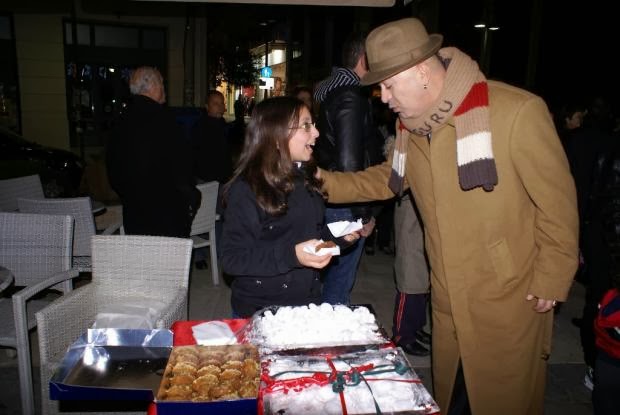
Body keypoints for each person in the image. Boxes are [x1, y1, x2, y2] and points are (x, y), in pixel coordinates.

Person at [318, 18, 578, 414]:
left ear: (421, 72)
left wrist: (553, 276)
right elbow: (387, 179)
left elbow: (557, 204)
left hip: (507, 297)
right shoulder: (413, 127)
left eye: (388, 85)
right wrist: (323, 182)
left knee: (501, 400)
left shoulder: (516, 112)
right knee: (453, 398)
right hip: (447, 297)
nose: (382, 97)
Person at [220, 96, 359, 318]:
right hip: (260, 313)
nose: (316, 133)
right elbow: (232, 259)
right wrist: (291, 256)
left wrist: (337, 240)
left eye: (313, 124)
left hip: (305, 307)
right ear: (276, 135)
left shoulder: (305, 178)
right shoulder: (247, 189)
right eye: (306, 125)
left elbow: (307, 240)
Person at [313, 32, 383, 305]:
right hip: (345, 200)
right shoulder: (350, 97)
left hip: (333, 193)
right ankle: (330, 337)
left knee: (331, 268)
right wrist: (364, 214)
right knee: (339, 279)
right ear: (364, 59)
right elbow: (350, 162)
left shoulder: (333, 87)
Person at [107, 66, 200, 237]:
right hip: (168, 220)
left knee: (142, 264)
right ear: (153, 87)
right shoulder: (165, 122)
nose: (164, 89)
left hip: (134, 218)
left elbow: (113, 173)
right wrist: (191, 201)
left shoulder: (120, 121)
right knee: (171, 264)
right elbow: (183, 170)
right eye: (162, 84)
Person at [391, 190, 431, 356]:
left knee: (425, 278)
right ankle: (402, 335)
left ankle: (416, 327)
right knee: (410, 277)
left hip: (426, 209)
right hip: (411, 209)